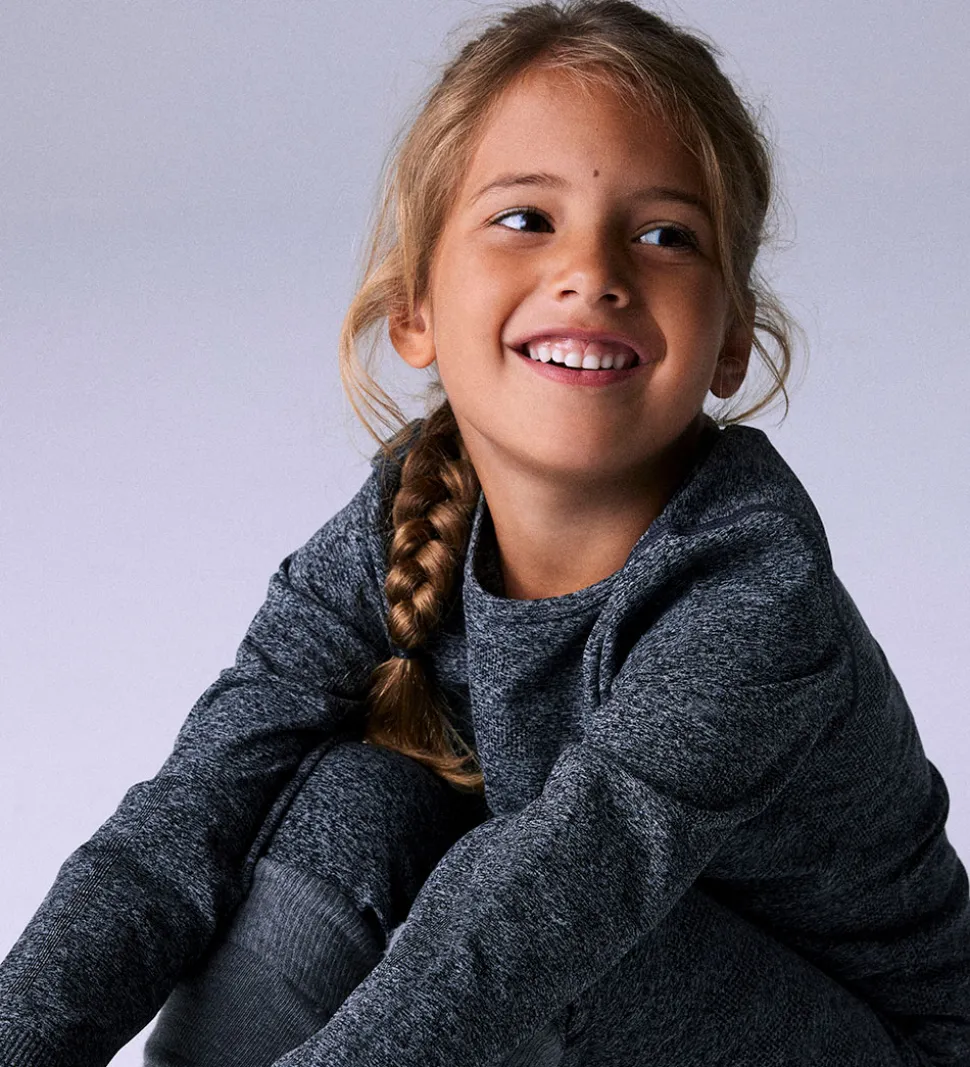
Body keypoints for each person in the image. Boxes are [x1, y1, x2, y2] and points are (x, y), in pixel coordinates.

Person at [1, 1, 968, 1065]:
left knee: (541, 921)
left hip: (858, 1038)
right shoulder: (406, 518)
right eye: (525, 218)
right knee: (350, 801)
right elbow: (177, 830)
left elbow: (527, 923)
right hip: (575, 985)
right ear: (413, 308)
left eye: (665, 236)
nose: (593, 272)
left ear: (732, 339)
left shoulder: (753, 592)